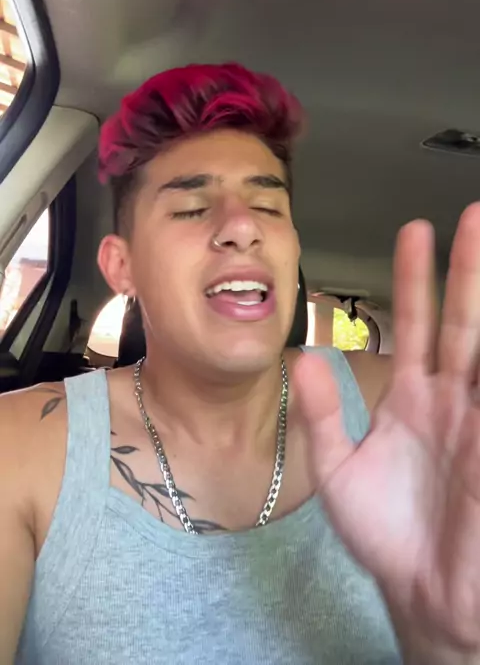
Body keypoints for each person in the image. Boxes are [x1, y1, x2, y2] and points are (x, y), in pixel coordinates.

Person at [1, 62, 480, 664]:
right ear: (122, 266)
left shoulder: (406, 415)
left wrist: (448, 649)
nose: (243, 226)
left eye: (268, 205)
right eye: (191, 207)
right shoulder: (20, 449)